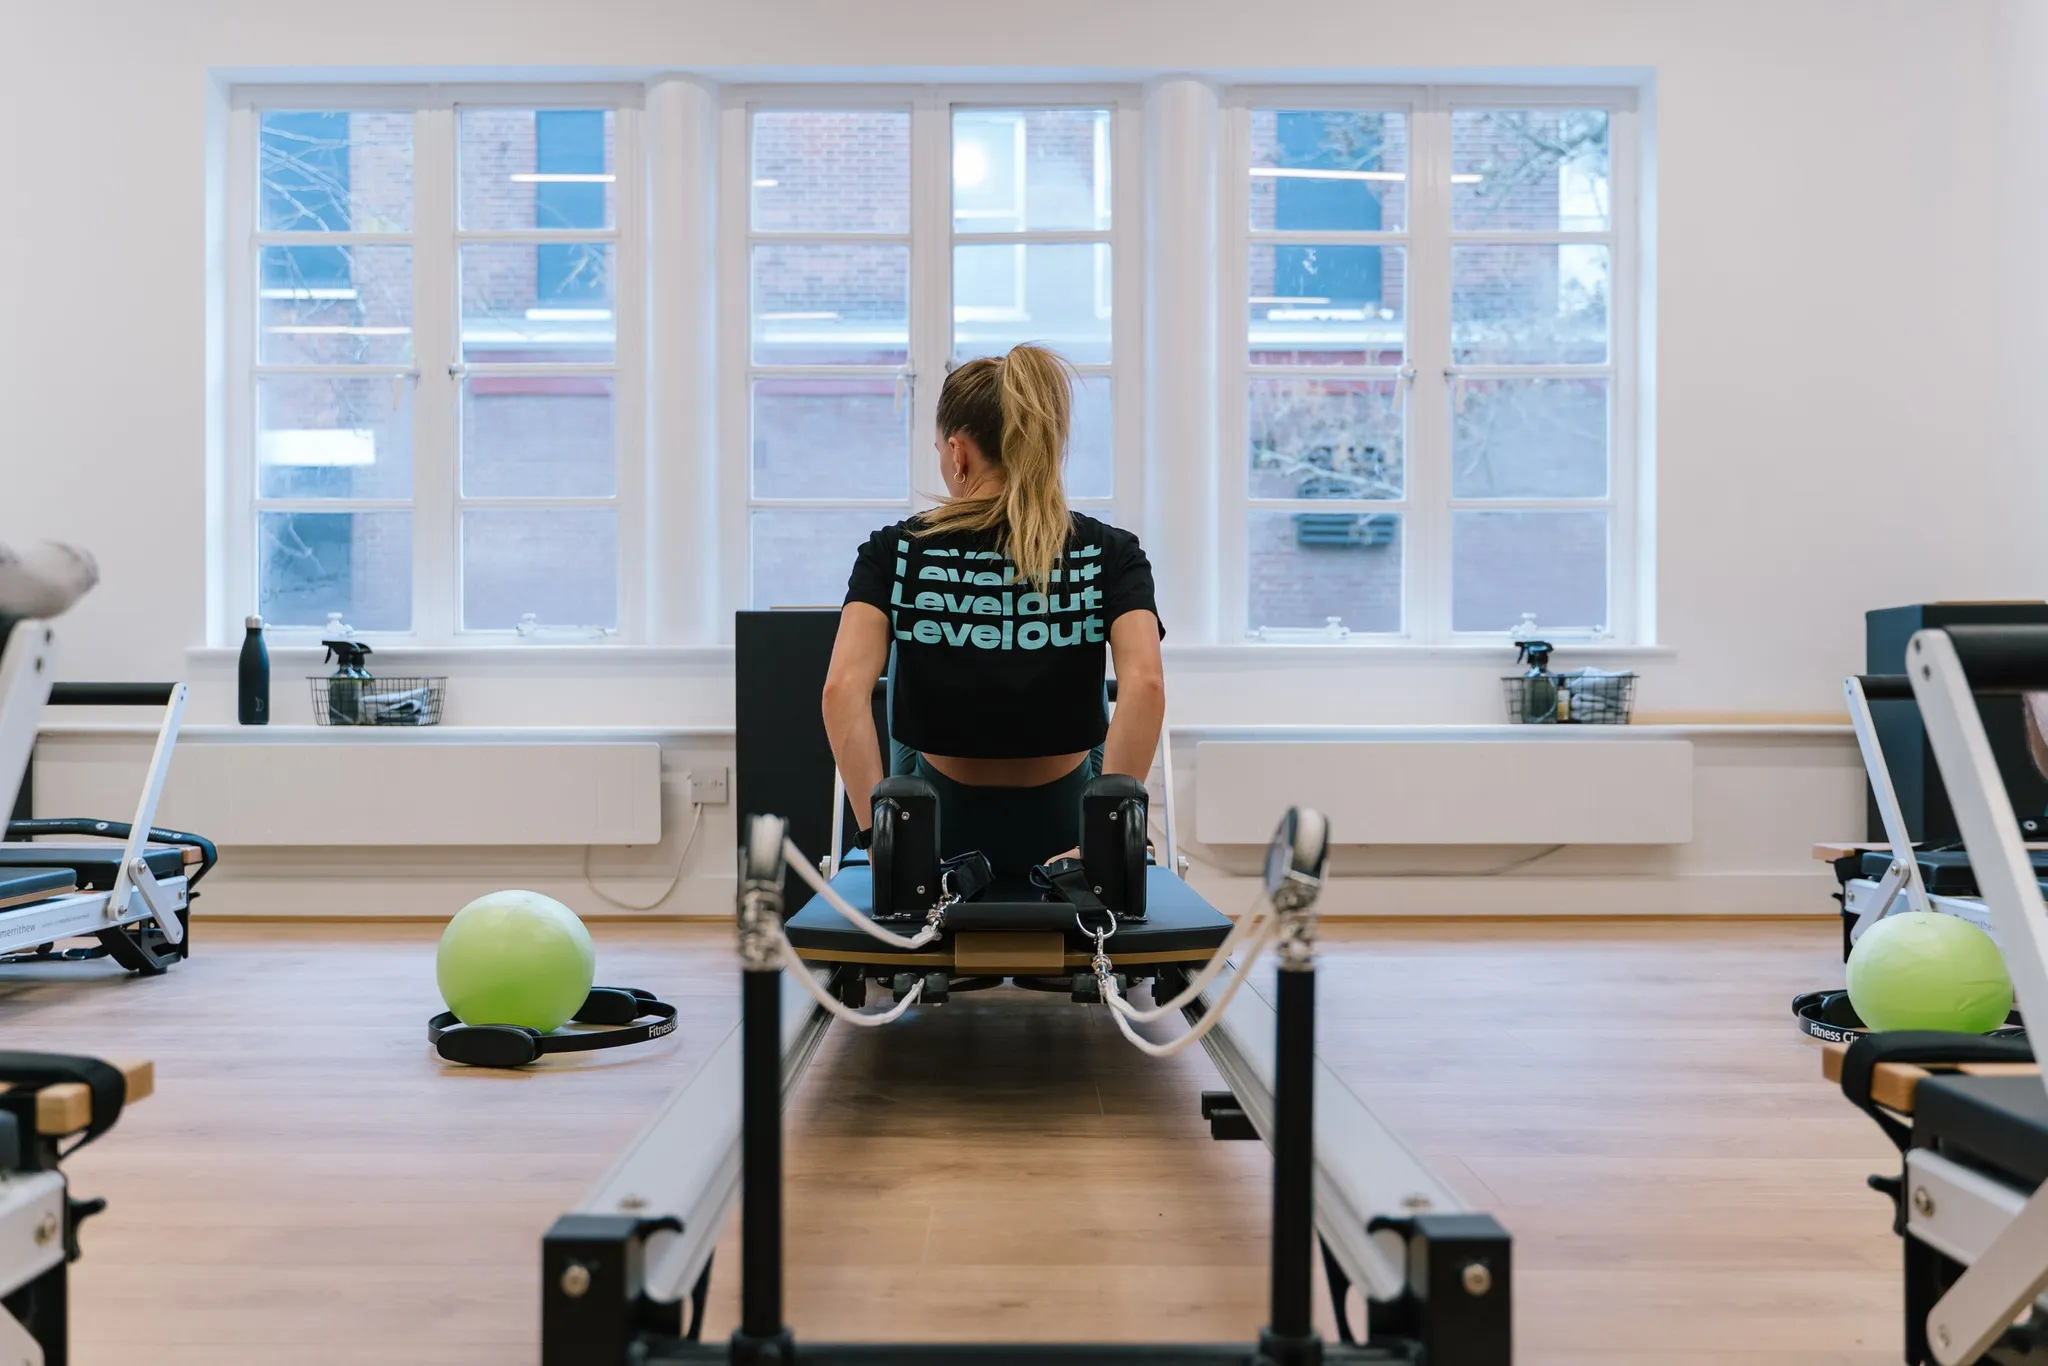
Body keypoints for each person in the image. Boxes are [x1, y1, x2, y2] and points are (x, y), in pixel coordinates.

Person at [825, 344, 1165, 879]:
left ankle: (900, 825)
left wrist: (882, 839)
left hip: (937, 824)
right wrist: (1102, 840)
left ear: (958, 454)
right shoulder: (1110, 551)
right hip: (1069, 823)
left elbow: (841, 690)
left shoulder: (896, 550)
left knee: (904, 671)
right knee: (1095, 686)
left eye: (941, 451)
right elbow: (1145, 685)